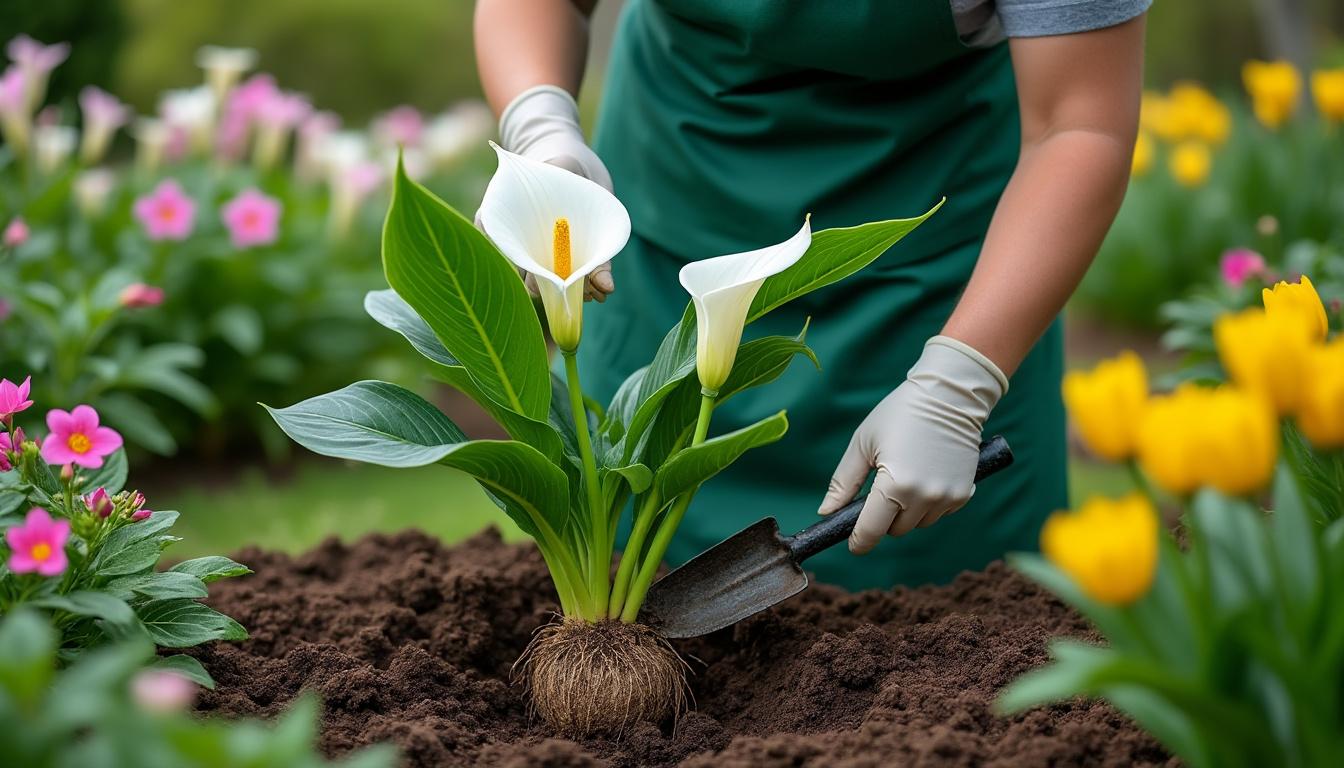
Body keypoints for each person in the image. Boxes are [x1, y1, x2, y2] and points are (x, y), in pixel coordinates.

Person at [474, 0, 1149, 590]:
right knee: (627, 569)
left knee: (951, 665)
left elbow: (1080, 124)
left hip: (936, 273)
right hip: (669, 230)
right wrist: (541, 129)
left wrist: (959, 382)